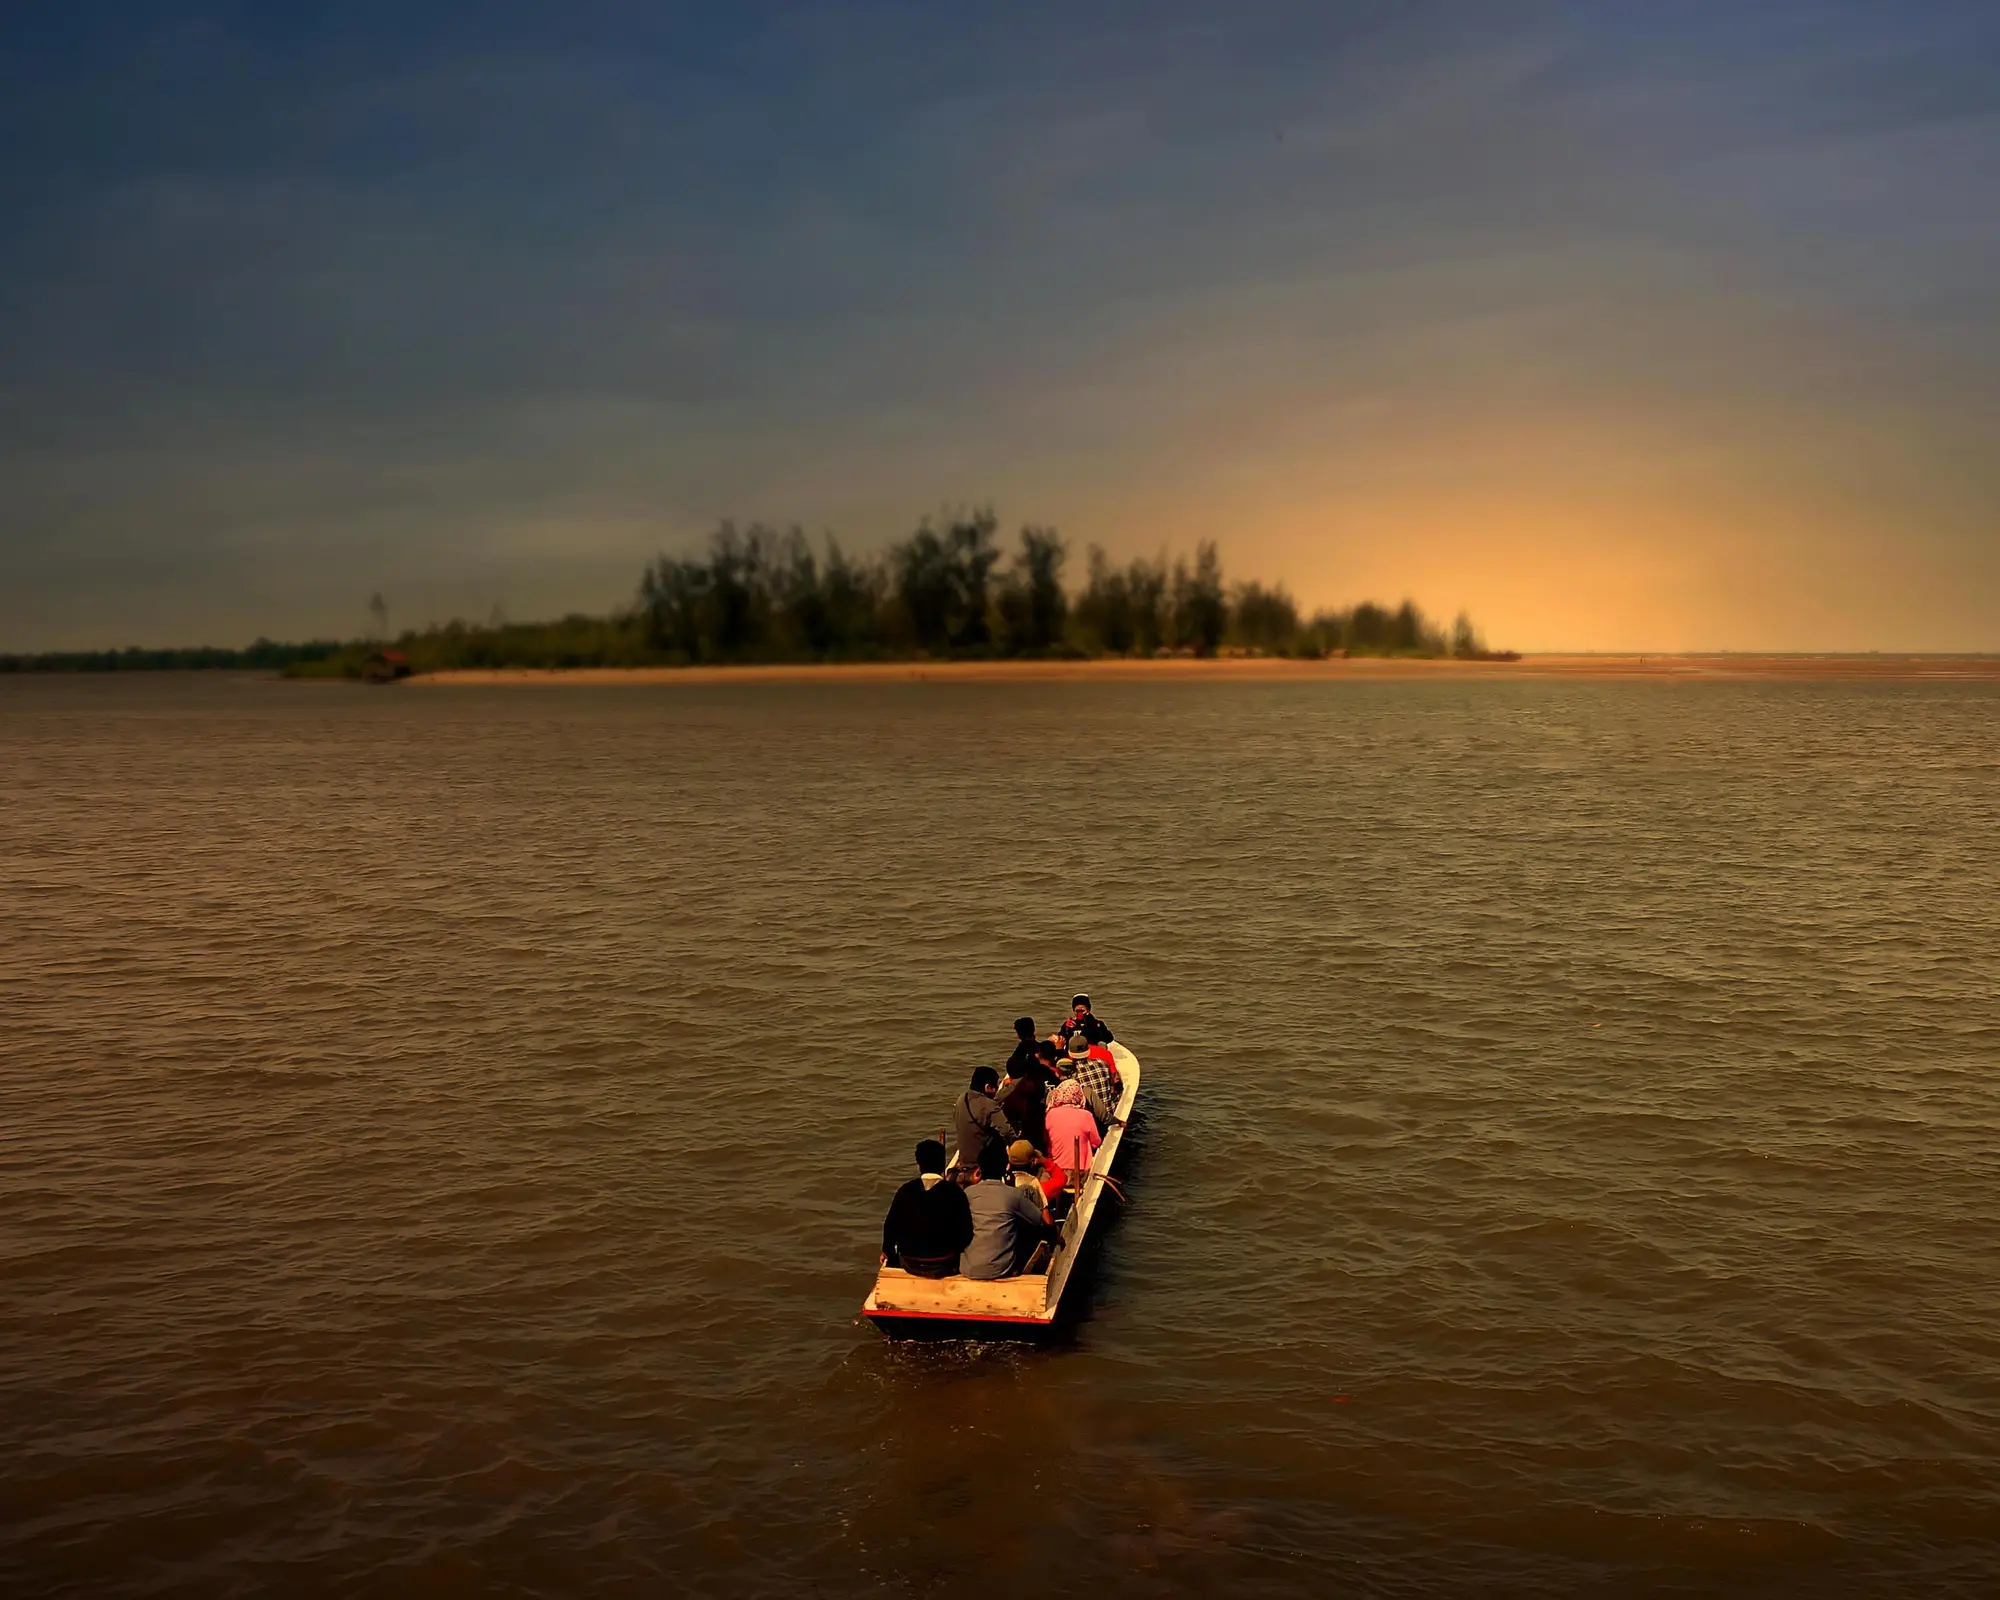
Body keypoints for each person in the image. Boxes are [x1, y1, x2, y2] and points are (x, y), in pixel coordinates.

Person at [962, 1142, 1057, 1281]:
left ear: (979, 1170)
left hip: (967, 1268)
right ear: (1006, 1167)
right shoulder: (1013, 1195)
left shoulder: (968, 1193)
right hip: (1001, 1269)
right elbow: (1040, 1222)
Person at [880, 1139, 973, 1277]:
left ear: (918, 1165)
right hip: (945, 1264)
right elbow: (966, 1235)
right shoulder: (955, 1192)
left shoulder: (905, 1191)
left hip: (910, 1263)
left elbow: (890, 1227)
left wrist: (888, 1252)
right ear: (943, 1164)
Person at [952, 1066, 1016, 1175]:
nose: (996, 1090)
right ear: (987, 1087)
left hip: (964, 1159)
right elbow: (1007, 1131)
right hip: (982, 1162)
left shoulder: (961, 1099)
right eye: (995, 1087)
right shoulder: (989, 1106)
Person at [1044, 1079, 1102, 1183]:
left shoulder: (1050, 1114)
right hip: (1080, 1172)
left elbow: (1046, 1139)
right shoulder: (1086, 1115)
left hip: (1055, 1170)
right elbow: (1096, 1143)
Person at [1067, 1033, 1123, 1117]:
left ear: (1070, 1054)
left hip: (1089, 1117)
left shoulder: (1071, 1073)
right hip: (1109, 1111)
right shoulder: (1102, 1063)